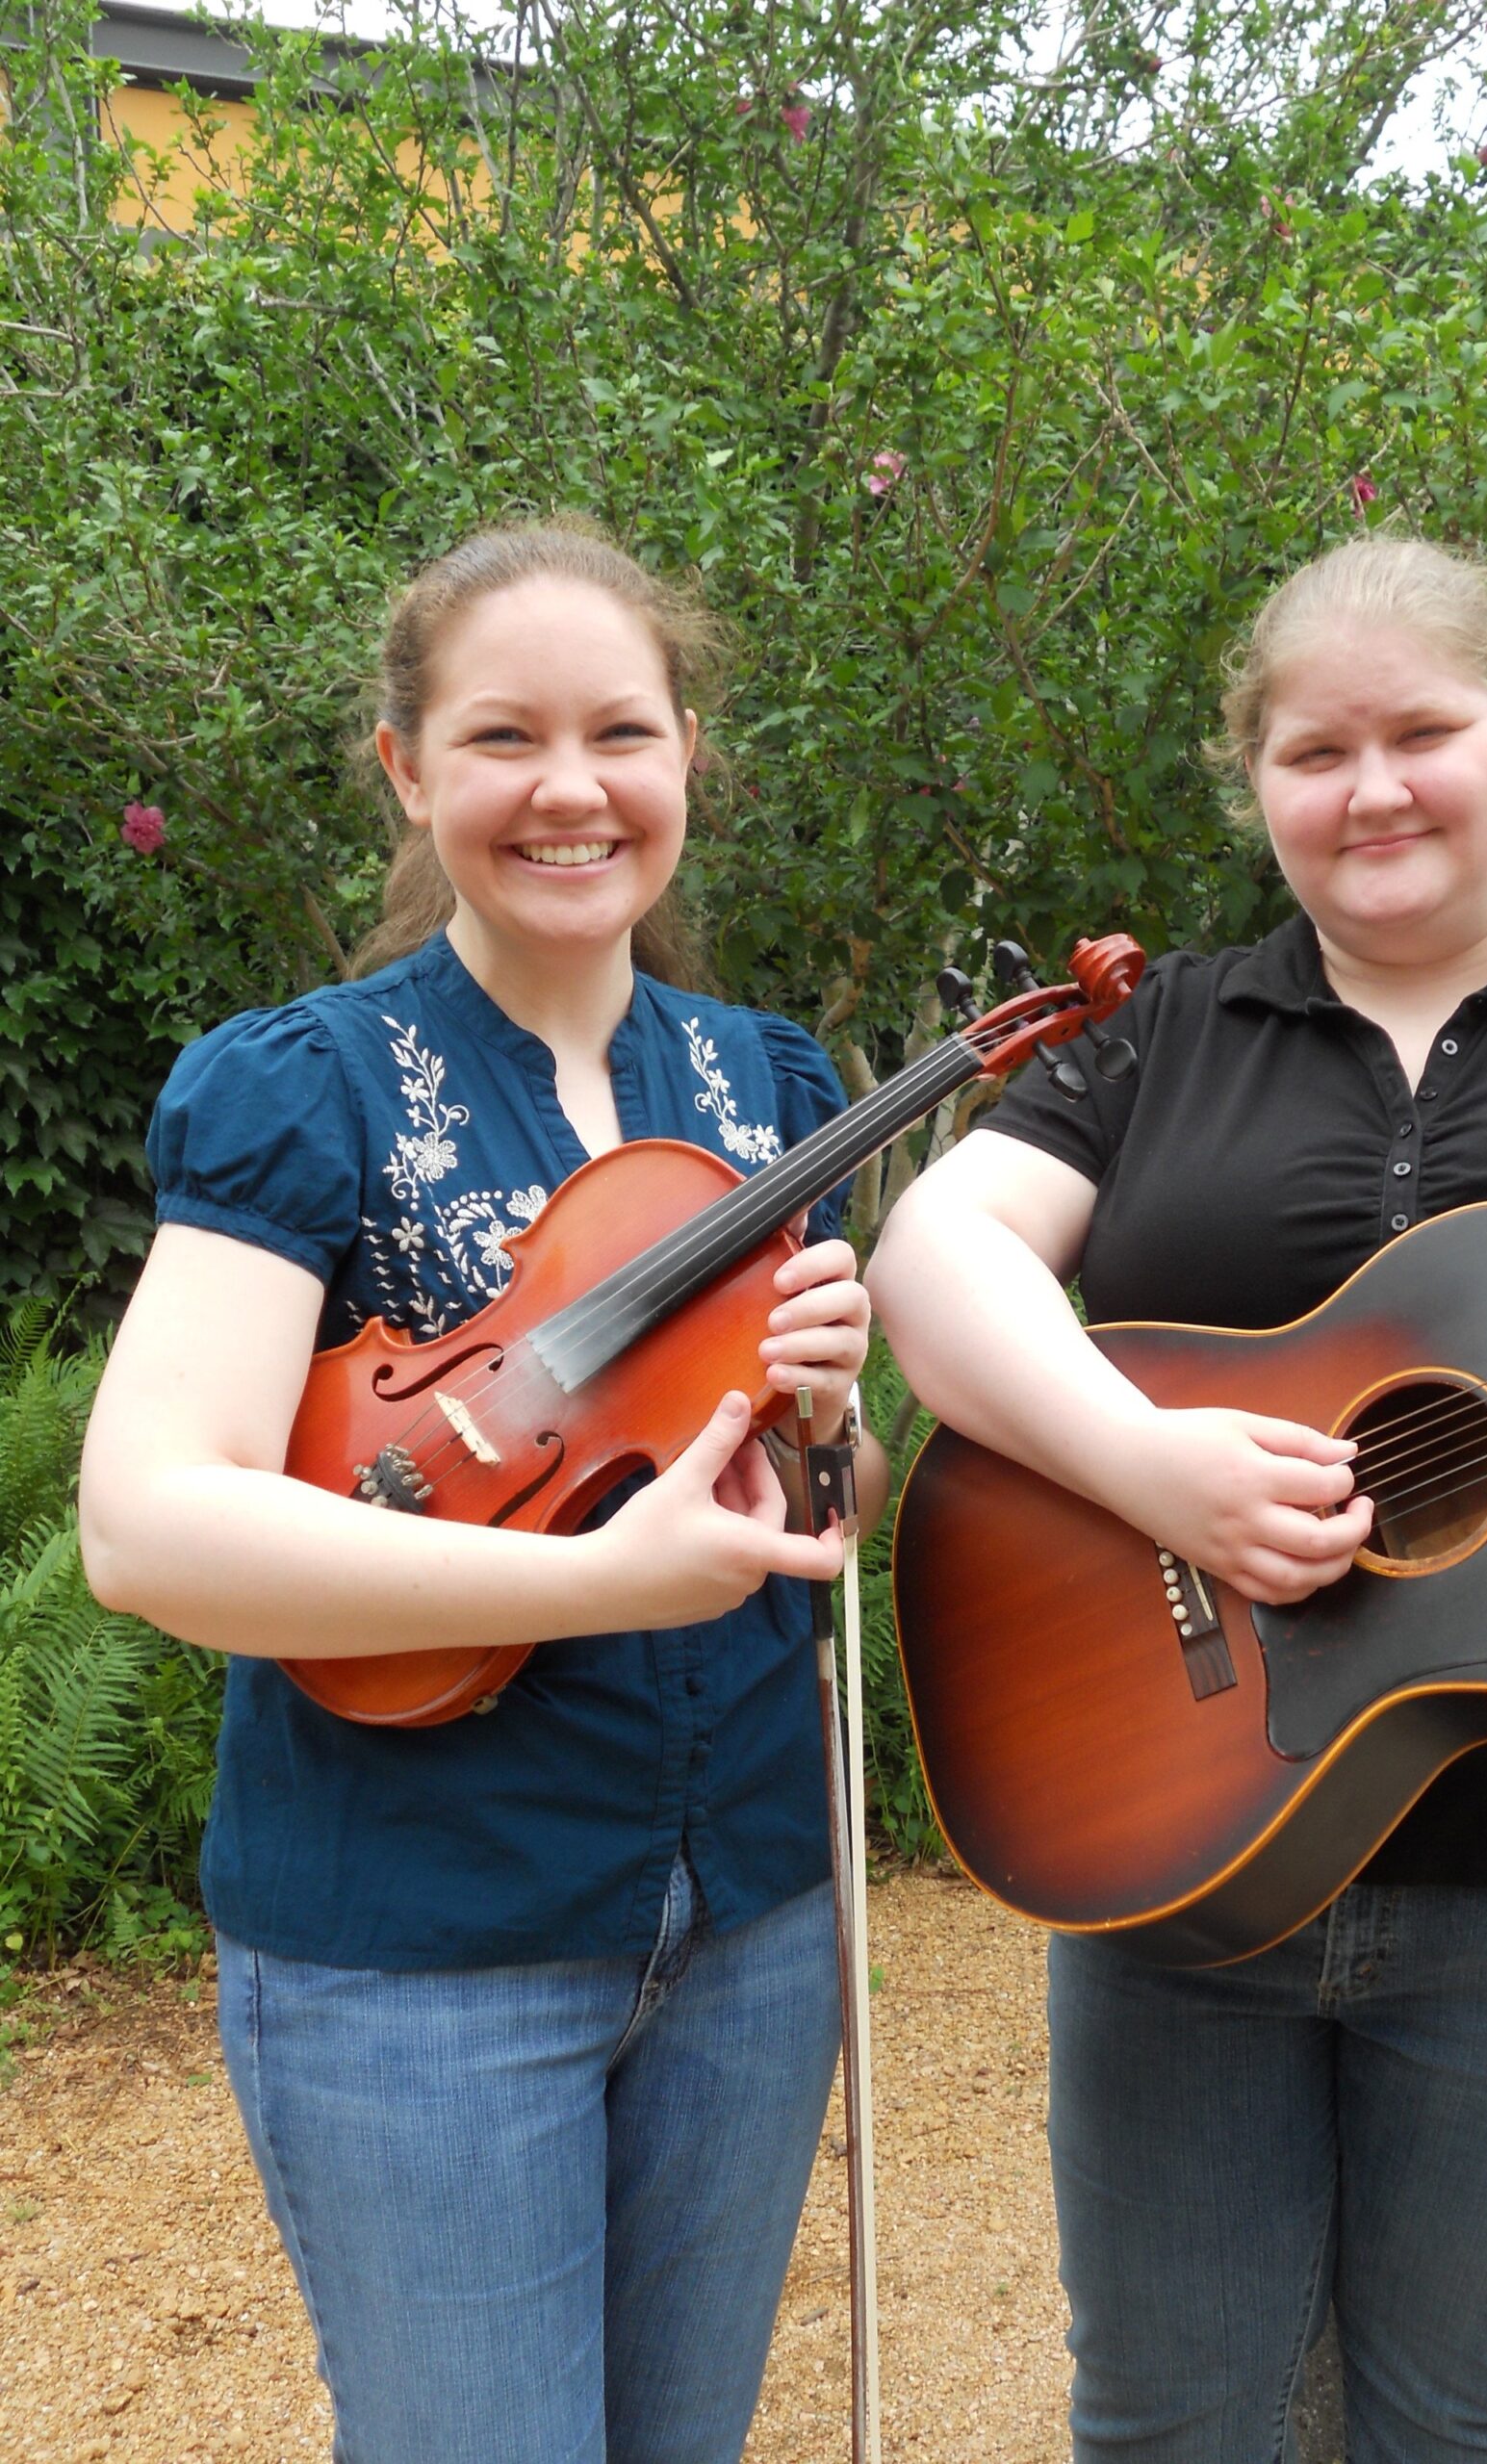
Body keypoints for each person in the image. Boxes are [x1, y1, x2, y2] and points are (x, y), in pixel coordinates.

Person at [867, 531, 1487, 2464]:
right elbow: (937, 1256)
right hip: (1185, 1817)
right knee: (1168, 2414)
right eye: (1316, 750)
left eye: (1422, 729)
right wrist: (1146, 1458)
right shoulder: (1164, 1032)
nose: (1373, 786)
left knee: (1475, 2415)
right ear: (1257, 784)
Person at [79, 519, 888, 2464]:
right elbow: (146, 1522)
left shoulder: (773, 1086)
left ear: (690, 747)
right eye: (503, 735)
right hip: (419, 1948)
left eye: (622, 728)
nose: (570, 787)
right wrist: (617, 1583)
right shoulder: (308, 1086)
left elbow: (811, 1497)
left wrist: (831, 1440)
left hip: (755, 1922)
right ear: (406, 763)